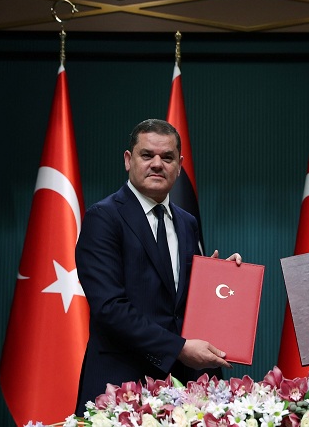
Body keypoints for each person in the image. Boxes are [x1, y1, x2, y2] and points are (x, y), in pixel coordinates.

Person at [75, 118, 241, 414]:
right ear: (128, 160)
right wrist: (178, 348)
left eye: (167, 157)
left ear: (179, 165)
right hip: (120, 387)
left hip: (181, 391)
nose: (157, 164)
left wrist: (216, 282)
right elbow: (110, 308)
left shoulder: (187, 222)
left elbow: (177, 303)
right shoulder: (103, 218)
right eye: (147, 155)